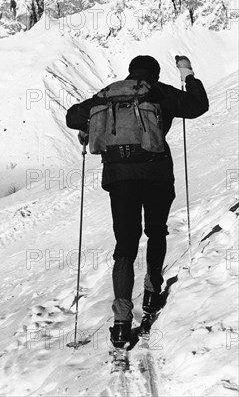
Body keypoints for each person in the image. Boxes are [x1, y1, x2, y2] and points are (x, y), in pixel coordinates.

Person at [65, 55, 209, 347]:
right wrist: (188, 74)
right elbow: (198, 106)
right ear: (153, 74)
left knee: (125, 246)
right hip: (156, 174)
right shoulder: (158, 91)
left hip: (119, 179)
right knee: (156, 231)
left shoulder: (108, 93)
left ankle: (120, 322)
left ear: (130, 72)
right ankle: (152, 290)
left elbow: (71, 117)